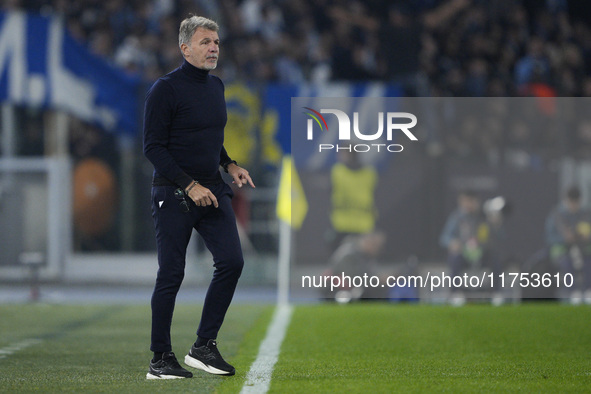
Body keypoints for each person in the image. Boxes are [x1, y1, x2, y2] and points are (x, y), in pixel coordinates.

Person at [143, 15, 255, 380]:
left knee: (232, 262)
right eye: (206, 42)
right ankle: (160, 359)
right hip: (174, 192)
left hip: (212, 190)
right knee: (172, 273)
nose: (213, 49)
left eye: (217, 43)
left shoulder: (217, 86)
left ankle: (203, 346)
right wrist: (189, 184)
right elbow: (153, 147)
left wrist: (229, 164)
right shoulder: (165, 89)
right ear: (185, 47)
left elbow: (209, 136)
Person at [439, 190, 503, 305]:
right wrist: (452, 243)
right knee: (454, 258)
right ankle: (455, 293)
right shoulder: (456, 218)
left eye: (471, 201)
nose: (468, 204)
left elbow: (500, 237)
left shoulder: (485, 217)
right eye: (465, 201)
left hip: (482, 253)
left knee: (495, 257)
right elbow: (444, 237)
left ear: (477, 202)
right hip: (463, 253)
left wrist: (496, 224)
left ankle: (496, 293)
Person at [545, 186, 591, 304]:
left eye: (576, 202)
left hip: (583, 250)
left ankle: (588, 291)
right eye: (571, 202)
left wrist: (585, 237)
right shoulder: (557, 215)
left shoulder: (586, 214)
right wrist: (564, 239)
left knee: (588, 263)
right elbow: (550, 237)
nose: (573, 205)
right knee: (566, 263)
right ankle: (572, 292)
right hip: (563, 251)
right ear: (566, 201)